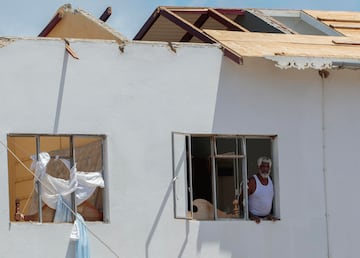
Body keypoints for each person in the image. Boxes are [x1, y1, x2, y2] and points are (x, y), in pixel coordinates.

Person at [243, 156, 279, 223]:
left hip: (267, 219)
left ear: (270, 168)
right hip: (253, 221)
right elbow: (242, 200)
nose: (265, 169)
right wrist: (251, 216)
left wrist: (269, 215)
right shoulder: (252, 181)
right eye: (263, 166)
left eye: (267, 167)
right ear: (259, 167)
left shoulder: (271, 180)